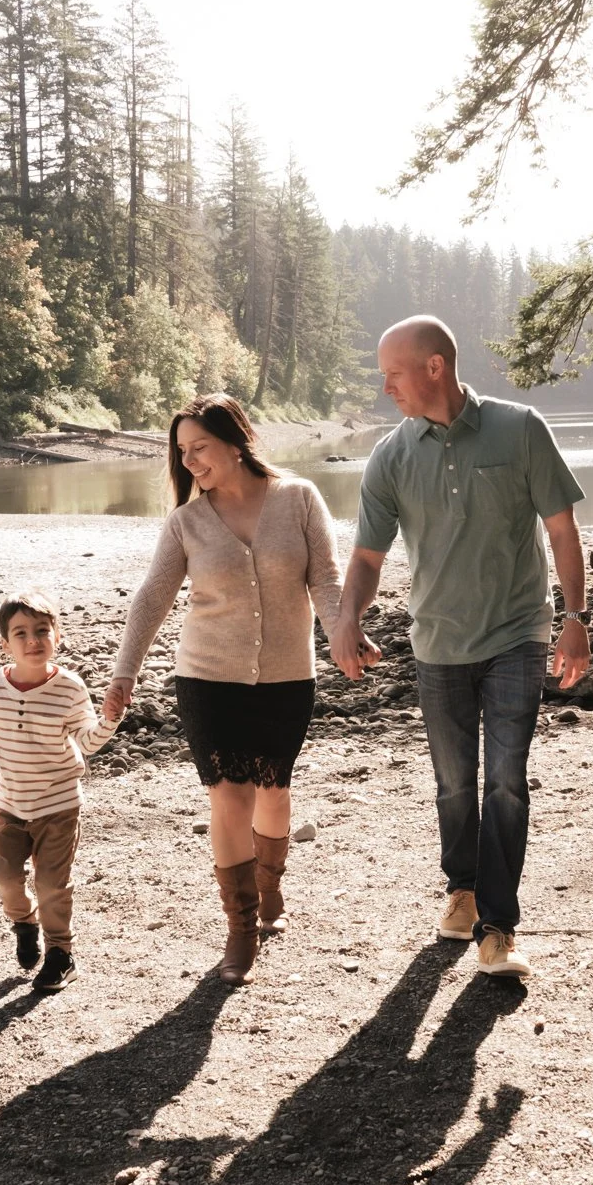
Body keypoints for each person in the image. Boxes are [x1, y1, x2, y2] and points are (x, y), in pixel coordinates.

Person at [329, 316, 590, 980]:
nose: (385, 385)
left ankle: (498, 928)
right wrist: (345, 619)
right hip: (438, 642)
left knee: (504, 777)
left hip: (516, 634)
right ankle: (463, 889)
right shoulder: (392, 455)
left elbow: (562, 531)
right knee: (454, 784)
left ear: (435, 367)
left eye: (393, 372)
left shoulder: (520, 428)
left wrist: (576, 616)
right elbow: (366, 556)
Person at [108, 394, 342, 985]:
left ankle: (268, 888)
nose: (189, 461)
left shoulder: (300, 499)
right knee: (230, 797)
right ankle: (240, 929)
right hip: (208, 679)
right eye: (182, 452)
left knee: (274, 792)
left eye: (200, 448)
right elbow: (152, 599)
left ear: (236, 442)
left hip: (288, 678)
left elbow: (327, 583)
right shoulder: (187, 521)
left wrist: (345, 635)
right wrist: (124, 674)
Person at [0, 590, 119, 994]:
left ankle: (61, 954)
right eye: (21, 633)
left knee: (52, 883)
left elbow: (87, 740)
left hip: (59, 805)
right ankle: (24, 922)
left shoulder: (69, 688)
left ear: (57, 636)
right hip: (10, 805)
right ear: (5, 643)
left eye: (42, 631)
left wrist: (110, 720)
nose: (33, 641)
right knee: (5, 877)